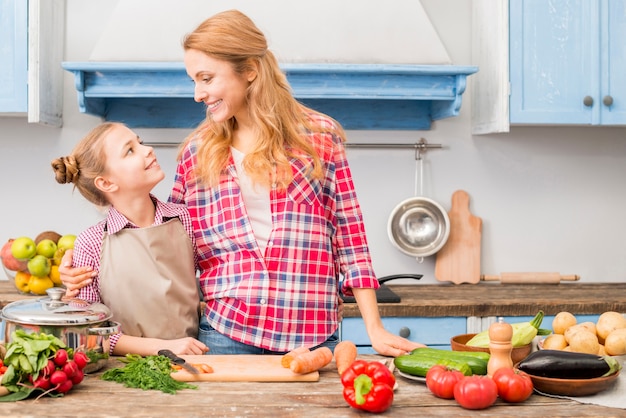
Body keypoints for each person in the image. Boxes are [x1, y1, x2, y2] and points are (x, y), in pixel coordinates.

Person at [61, 9, 424, 357]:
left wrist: (374, 327)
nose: (197, 94)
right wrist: (86, 266)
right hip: (225, 335)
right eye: (194, 81)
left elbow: (350, 235)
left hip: (313, 337)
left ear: (249, 70)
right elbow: (165, 240)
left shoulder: (319, 136)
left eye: (206, 78)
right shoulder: (197, 151)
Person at [52, 122, 208, 357]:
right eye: (130, 150)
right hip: (125, 369)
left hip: (193, 358)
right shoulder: (91, 243)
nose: (148, 150)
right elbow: (89, 332)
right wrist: (162, 348)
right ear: (106, 183)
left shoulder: (185, 219)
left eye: (140, 142)